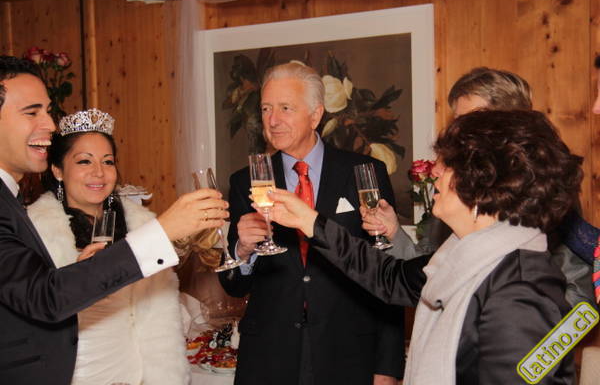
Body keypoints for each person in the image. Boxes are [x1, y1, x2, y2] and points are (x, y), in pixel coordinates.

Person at [267, 109, 580, 384]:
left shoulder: (520, 291)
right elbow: (389, 277)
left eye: (448, 164)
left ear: (483, 180)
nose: (434, 172)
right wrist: (310, 222)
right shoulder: (462, 256)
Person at [0, 55, 227, 385]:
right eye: (32, 112)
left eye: (48, 111)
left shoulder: (12, 200)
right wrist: (163, 231)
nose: (49, 124)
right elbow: (45, 297)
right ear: (59, 171)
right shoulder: (32, 217)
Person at [218, 62, 404, 385]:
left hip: (348, 355)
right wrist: (242, 251)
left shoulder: (364, 173)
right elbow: (234, 285)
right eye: (266, 109)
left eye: (285, 108)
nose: (272, 120)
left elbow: (387, 274)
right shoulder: (245, 181)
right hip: (268, 359)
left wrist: (387, 367)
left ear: (316, 115)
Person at [365, 66, 595, 308]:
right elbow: (428, 272)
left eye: (471, 120)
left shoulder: (541, 188)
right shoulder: (453, 185)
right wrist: (394, 232)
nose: (460, 132)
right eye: (458, 120)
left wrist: (524, 322)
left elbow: (578, 292)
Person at [26, 109, 189, 384]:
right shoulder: (36, 232)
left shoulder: (141, 226)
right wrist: (77, 277)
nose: (99, 172)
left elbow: (160, 312)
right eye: (84, 161)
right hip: (80, 373)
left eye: (108, 161)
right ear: (57, 170)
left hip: (143, 373)